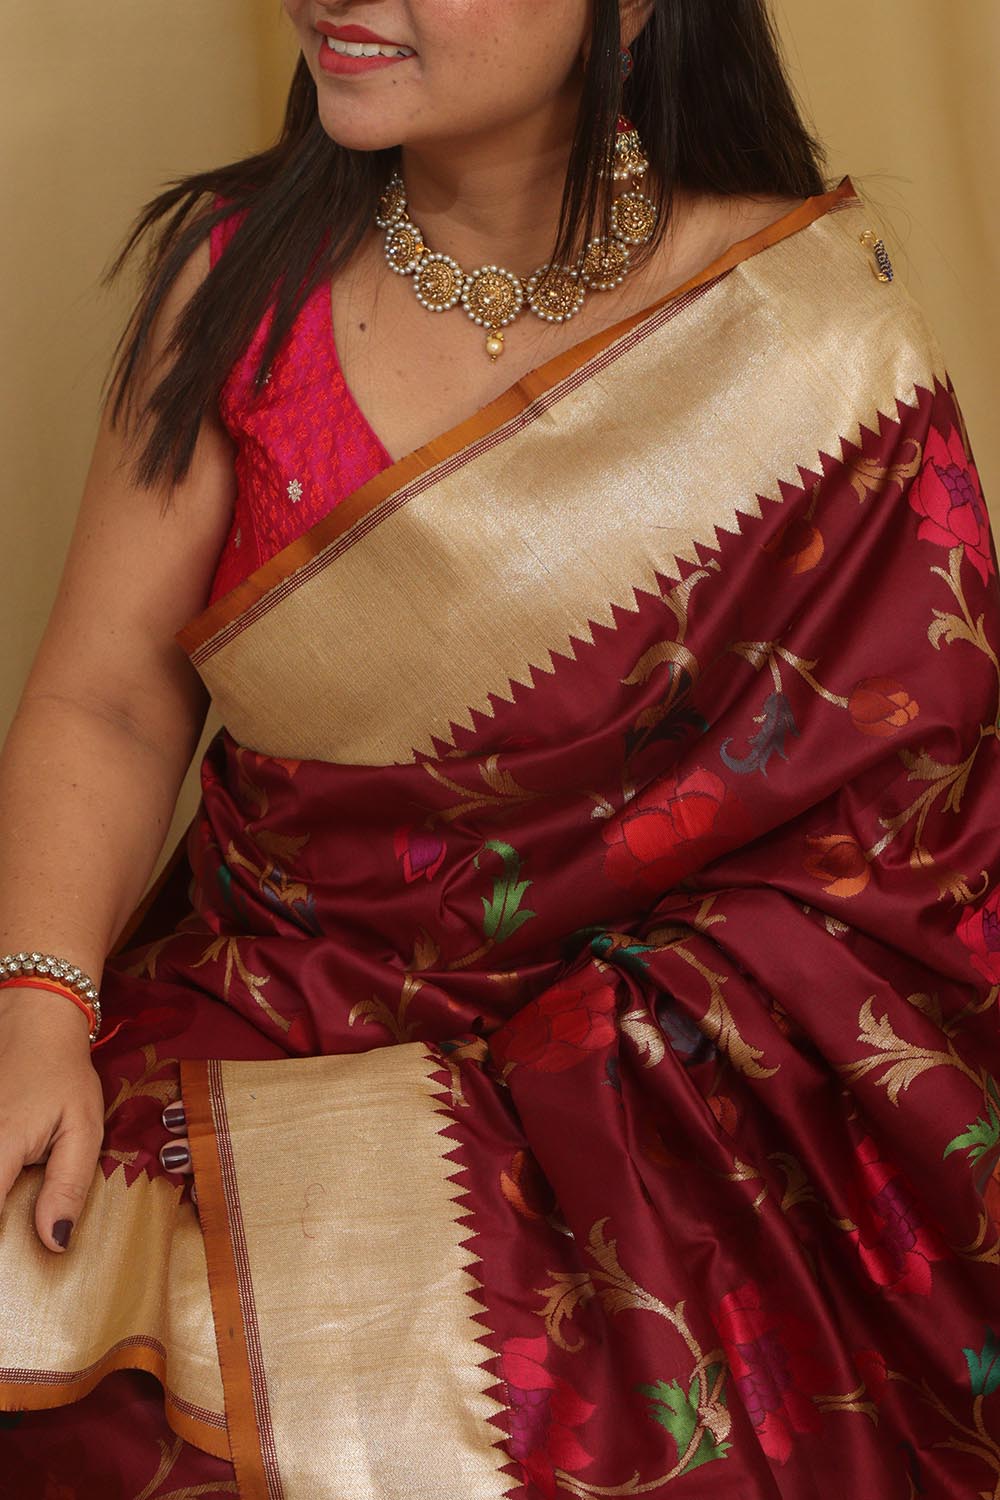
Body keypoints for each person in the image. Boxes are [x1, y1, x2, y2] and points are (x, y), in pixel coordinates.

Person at [1, 1, 998, 1495]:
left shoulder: (799, 339)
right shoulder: (240, 280)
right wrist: (35, 1012)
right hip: (274, 1017)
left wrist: (582, 1079)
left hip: (670, 1107)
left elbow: (910, 838)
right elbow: (114, 701)